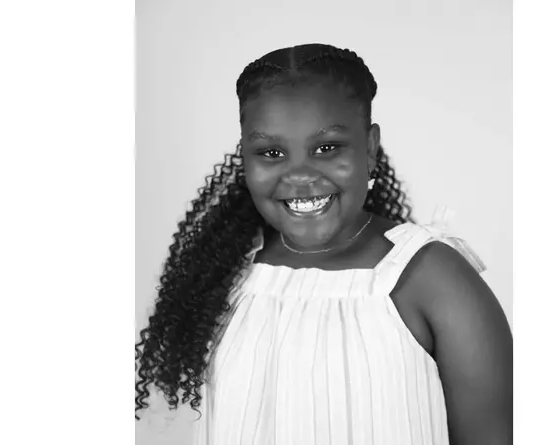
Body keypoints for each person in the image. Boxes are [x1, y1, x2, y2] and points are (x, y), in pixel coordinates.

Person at [136, 43, 513, 445]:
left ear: (370, 147)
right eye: (271, 152)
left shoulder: (432, 277)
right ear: (245, 156)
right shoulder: (227, 275)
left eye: (327, 148)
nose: (299, 175)